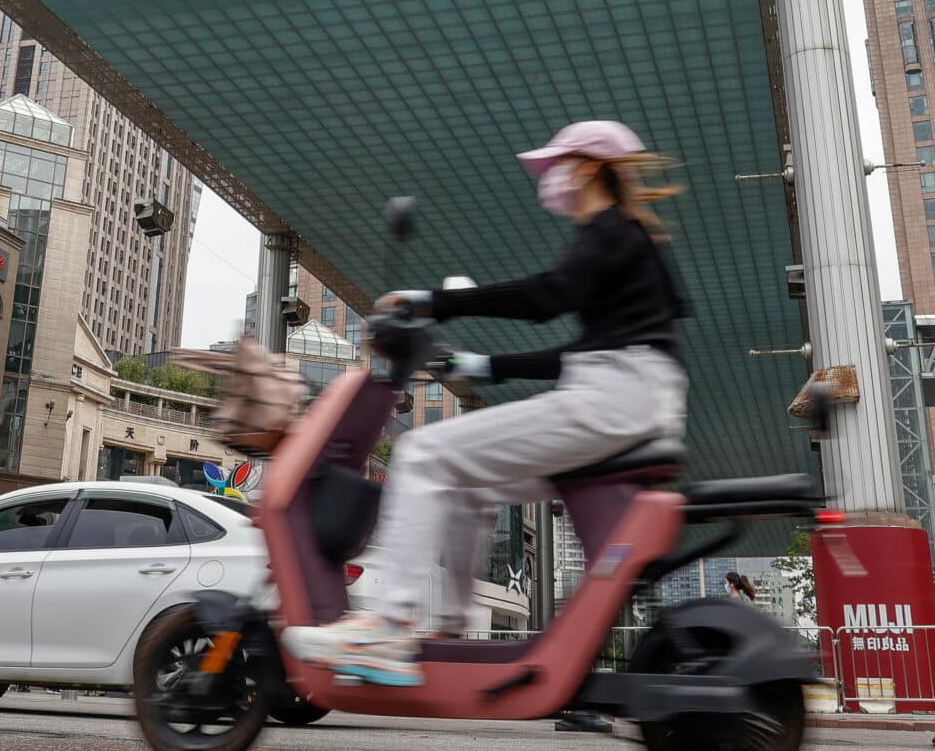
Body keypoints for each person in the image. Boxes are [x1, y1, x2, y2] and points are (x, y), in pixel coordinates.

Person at [283, 121, 687, 687]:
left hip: (613, 400)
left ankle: (386, 629)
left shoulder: (610, 231)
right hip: (627, 397)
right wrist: (483, 367)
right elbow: (586, 349)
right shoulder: (626, 240)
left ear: (592, 167)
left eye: (560, 165)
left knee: (422, 453)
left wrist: (434, 303)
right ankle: (447, 631)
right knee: (469, 485)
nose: (551, 178)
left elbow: (546, 298)